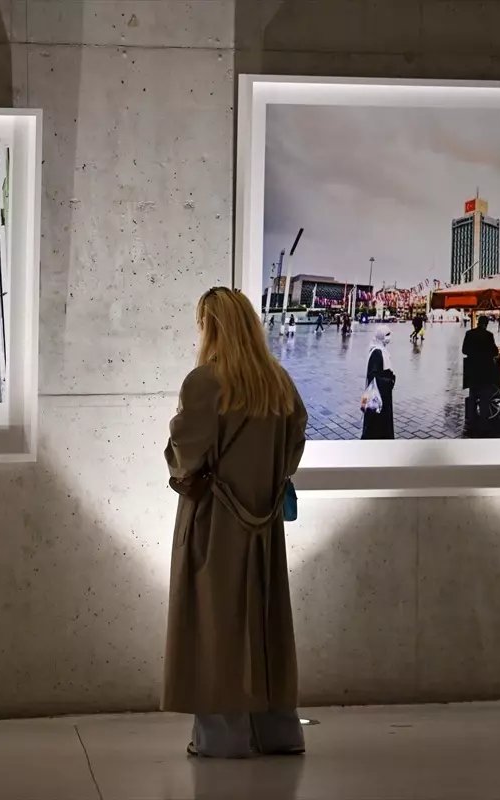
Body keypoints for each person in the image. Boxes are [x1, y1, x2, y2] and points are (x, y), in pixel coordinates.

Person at [163, 287, 307, 760]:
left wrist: (180, 465)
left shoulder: (205, 382)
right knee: (267, 621)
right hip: (265, 526)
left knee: (216, 622)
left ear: (210, 325)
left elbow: (186, 453)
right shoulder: (278, 382)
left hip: (215, 523)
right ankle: (278, 730)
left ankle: (222, 736)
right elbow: (293, 449)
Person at [462, 316, 500, 433]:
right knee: (485, 397)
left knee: (473, 395)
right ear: (486, 324)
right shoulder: (489, 335)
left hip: (472, 370)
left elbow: (464, 350)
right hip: (485, 371)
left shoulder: (469, 333)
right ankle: (484, 423)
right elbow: (495, 352)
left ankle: (471, 421)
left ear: (478, 323)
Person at [361, 326, 396, 439]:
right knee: (377, 424)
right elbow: (373, 376)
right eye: (387, 335)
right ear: (381, 336)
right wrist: (389, 381)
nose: (389, 337)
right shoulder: (377, 352)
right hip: (378, 396)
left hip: (382, 394)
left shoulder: (382, 350)